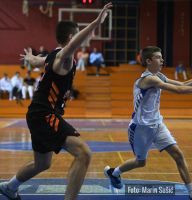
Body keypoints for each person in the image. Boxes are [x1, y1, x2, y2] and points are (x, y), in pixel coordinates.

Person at [0, 2, 113, 200]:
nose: (83, 39)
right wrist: (95, 22)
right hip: (45, 114)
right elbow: (72, 45)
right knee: (84, 154)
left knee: (42, 163)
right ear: (71, 38)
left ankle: (10, 187)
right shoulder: (64, 57)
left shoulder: (52, 56)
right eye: (77, 34)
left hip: (37, 113)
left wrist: (30, 57)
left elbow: (37, 61)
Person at [104, 46, 192, 200]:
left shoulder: (159, 76)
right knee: (140, 162)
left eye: (162, 57)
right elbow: (178, 91)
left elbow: (182, 85)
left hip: (157, 125)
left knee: (178, 154)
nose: (162, 59)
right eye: (158, 57)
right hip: (140, 129)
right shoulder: (147, 79)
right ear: (149, 61)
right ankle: (114, 172)